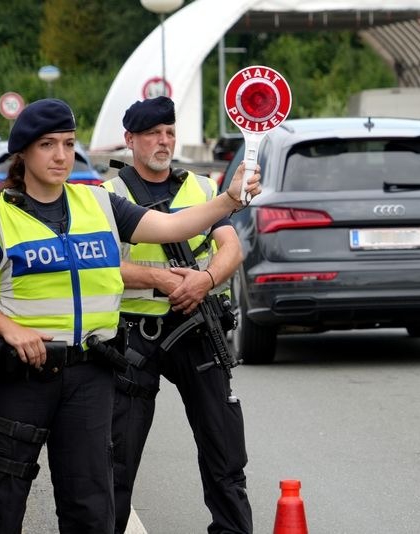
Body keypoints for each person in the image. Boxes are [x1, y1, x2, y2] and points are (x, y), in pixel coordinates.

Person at [0, 97, 259, 534]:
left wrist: (228, 198)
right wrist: (10, 329)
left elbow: (172, 227)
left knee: (90, 506)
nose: (60, 156)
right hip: (24, 373)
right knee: (1, 503)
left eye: (68, 144)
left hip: (90, 373)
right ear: (24, 152)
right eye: (47, 145)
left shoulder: (98, 203)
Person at [104, 97, 253, 534]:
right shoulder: (107, 196)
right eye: (153, 133)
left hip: (196, 328)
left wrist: (204, 281)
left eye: (169, 132)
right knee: (116, 458)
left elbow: (232, 249)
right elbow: (102, 265)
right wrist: (163, 283)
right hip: (133, 335)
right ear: (130, 140)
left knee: (224, 450)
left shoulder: (204, 189)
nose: (164, 141)